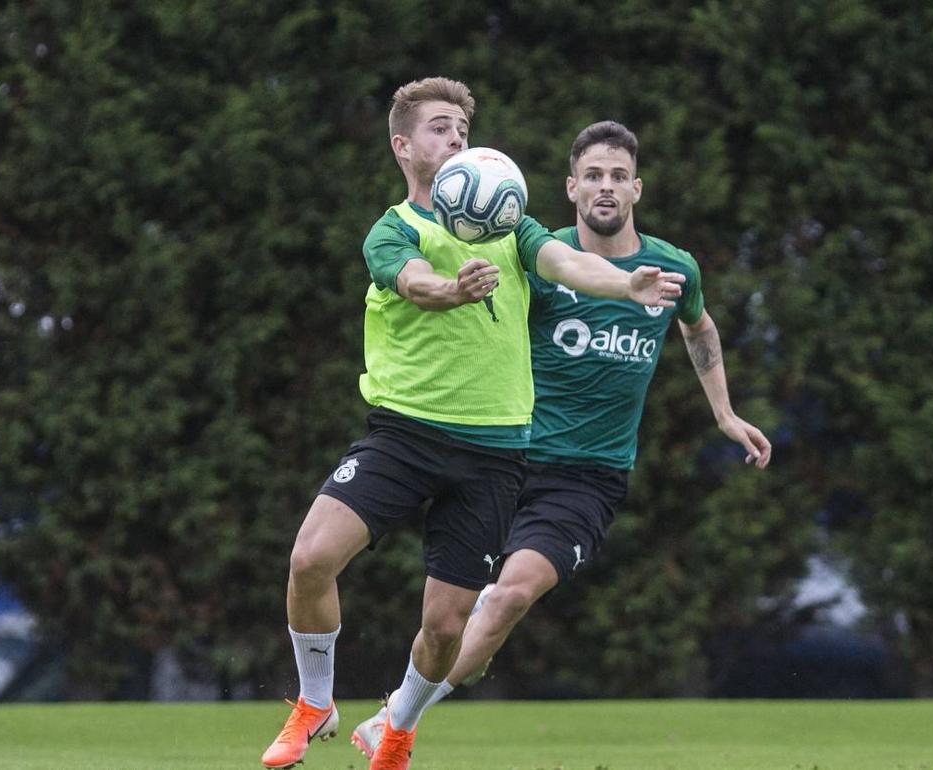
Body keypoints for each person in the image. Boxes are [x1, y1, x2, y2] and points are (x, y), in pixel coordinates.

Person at [259, 81, 685, 770]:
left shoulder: (514, 228)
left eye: (461, 129)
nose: (454, 139)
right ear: (404, 146)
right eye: (438, 129)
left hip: (493, 455)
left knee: (446, 626)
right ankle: (314, 703)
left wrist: (622, 282)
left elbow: (567, 261)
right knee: (310, 557)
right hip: (403, 436)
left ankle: (398, 733)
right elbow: (414, 282)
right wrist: (449, 291)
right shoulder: (394, 229)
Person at [350, 120, 772, 758]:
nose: (606, 187)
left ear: (637, 189)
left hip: (586, 478)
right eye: (593, 176)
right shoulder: (538, 259)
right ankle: (441, 680)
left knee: (510, 594)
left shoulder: (672, 266)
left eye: (618, 176)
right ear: (571, 188)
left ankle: (395, 719)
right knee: (459, 616)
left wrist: (725, 413)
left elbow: (699, 327)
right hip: (506, 457)